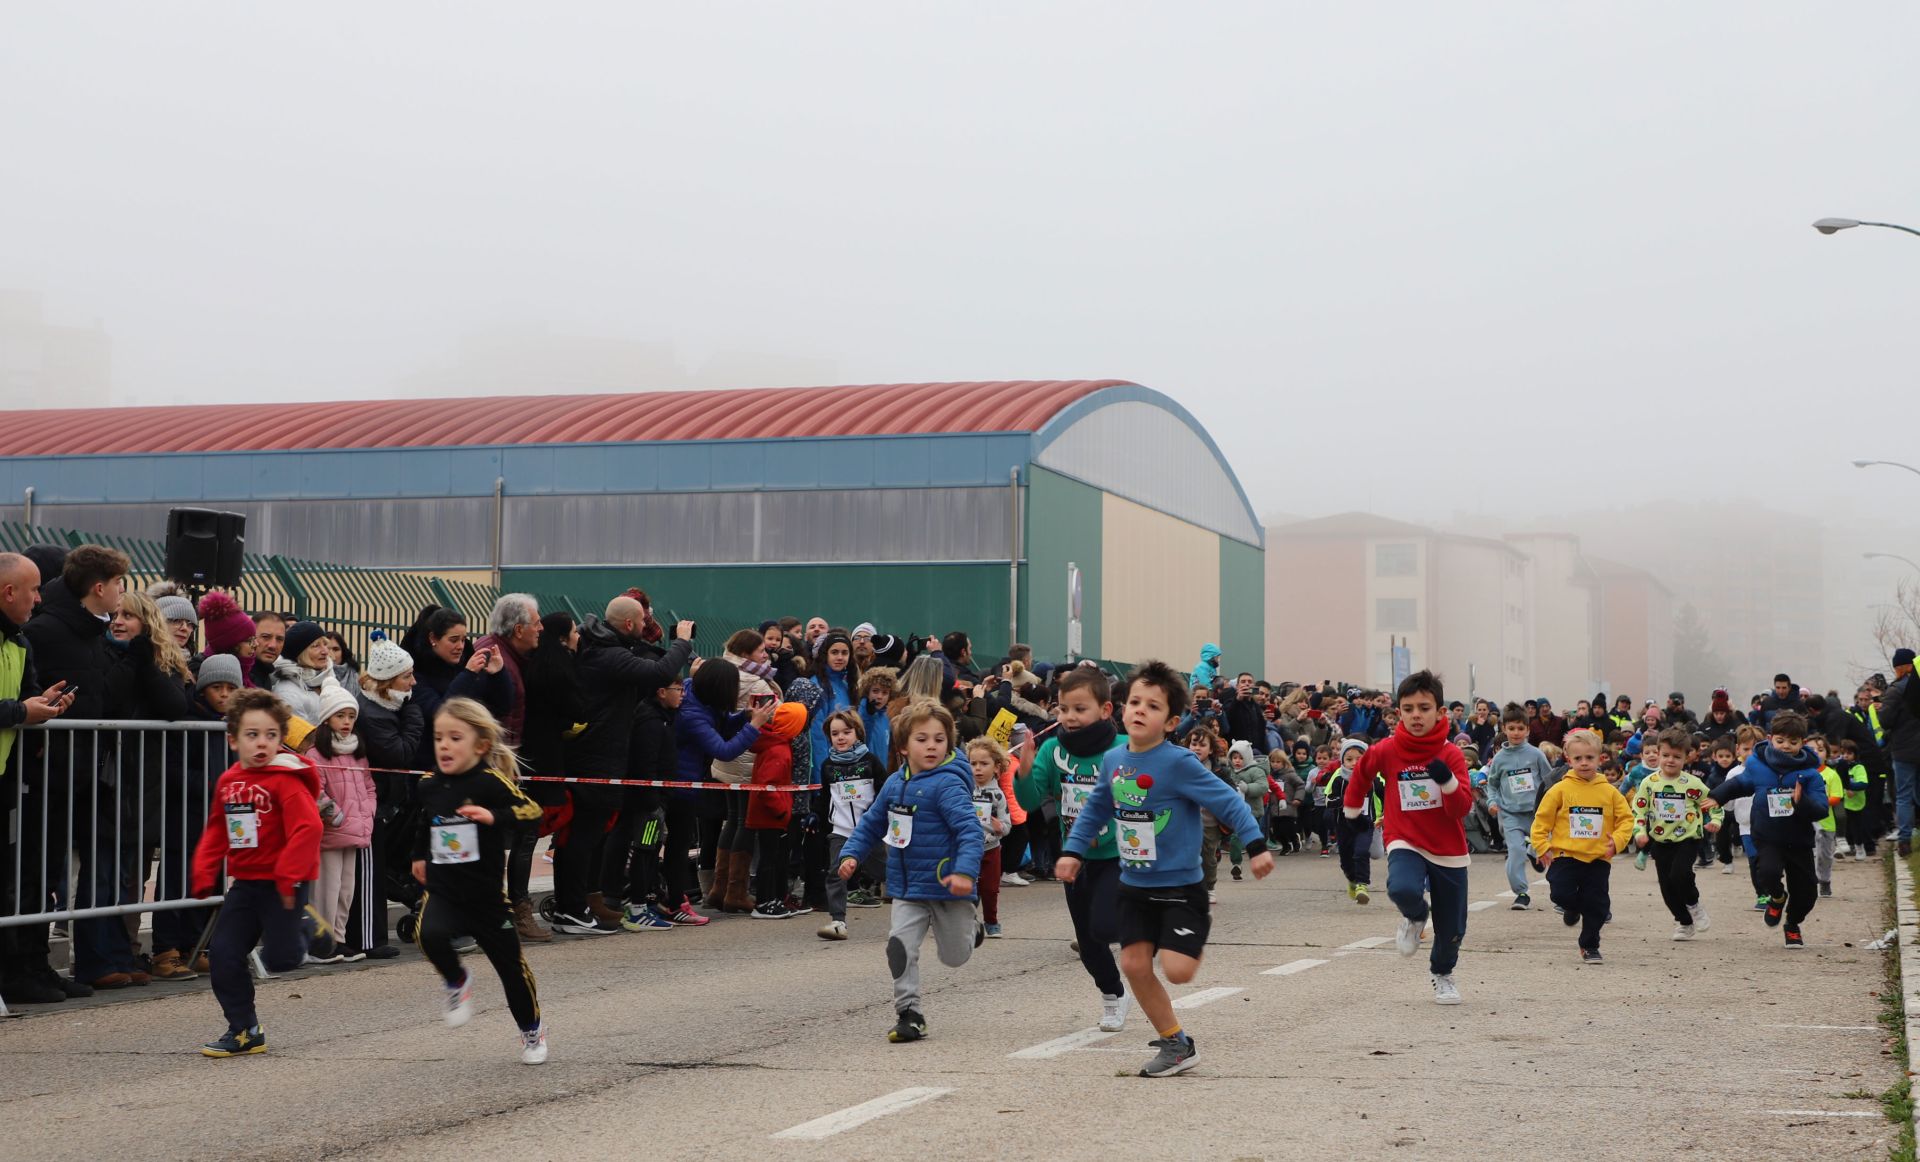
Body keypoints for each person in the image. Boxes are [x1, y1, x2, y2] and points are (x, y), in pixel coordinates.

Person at [1057, 660, 1271, 1078]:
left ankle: (1185, 937)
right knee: (1134, 965)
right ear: (1121, 707)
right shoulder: (1114, 759)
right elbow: (1096, 808)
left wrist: (1257, 844)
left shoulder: (1179, 763)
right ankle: (1177, 1043)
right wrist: (1073, 851)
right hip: (1134, 884)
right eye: (1135, 701)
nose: (1139, 710)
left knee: (1178, 970)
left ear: (1171, 721)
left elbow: (1228, 801)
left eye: (1152, 706)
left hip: (1180, 888)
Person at [835, 701, 983, 1045]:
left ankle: (971, 928)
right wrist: (851, 854)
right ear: (903, 746)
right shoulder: (893, 784)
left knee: (955, 957)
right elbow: (871, 822)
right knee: (899, 946)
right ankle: (910, 1014)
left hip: (949, 888)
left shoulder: (947, 785)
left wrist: (964, 873)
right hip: (907, 888)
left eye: (939, 739)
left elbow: (969, 832)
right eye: (922, 739)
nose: (931, 746)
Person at [411, 697, 549, 1064]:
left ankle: (531, 1031)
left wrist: (492, 816)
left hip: (487, 897)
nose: (444, 745)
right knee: (428, 935)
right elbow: (425, 821)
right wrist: (419, 856)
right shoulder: (428, 784)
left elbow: (530, 811)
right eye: (439, 738)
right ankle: (457, 980)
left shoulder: (489, 782)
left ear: (480, 745)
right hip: (444, 889)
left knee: (511, 970)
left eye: (455, 738)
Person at [189, 690, 324, 1056]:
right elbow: (218, 829)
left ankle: (303, 927)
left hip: (285, 883)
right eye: (252, 735)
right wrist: (203, 870)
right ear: (233, 739)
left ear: (281, 739)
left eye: (270, 735)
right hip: (246, 883)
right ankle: (244, 1029)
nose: (261, 743)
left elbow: (308, 828)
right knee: (223, 954)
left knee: (282, 959)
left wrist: (288, 874)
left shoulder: (286, 781)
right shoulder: (229, 782)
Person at [557, 597, 694, 935]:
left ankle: (588, 902)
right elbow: (659, 673)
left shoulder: (608, 647)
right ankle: (574, 908)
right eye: (644, 620)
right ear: (630, 624)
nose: (648, 626)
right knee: (586, 836)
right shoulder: (609, 654)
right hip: (598, 760)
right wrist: (682, 641)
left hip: (605, 759)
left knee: (596, 834)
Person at [1343, 670, 1471, 1003]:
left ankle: (1442, 973)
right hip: (1405, 838)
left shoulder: (1451, 755)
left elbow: (1461, 809)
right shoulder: (1387, 749)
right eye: (1409, 708)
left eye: (1424, 707)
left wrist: (1448, 783)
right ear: (1398, 711)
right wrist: (1353, 808)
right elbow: (1362, 772)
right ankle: (1415, 916)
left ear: (1440, 712)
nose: (1416, 715)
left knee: (1453, 927)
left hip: (1448, 848)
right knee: (1401, 887)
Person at [1029, 665, 1129, 1028]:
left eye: (1079, 708)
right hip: (1075, 858)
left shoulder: (1124, 748)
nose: (1069, 716)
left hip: (1118, 854)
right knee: (1088, 942)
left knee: (1105, 924)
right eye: (1062, 708)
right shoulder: (1052, 750)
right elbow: (1029, 801)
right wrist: (1023, 770)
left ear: (1105, 710)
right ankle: (1113, 994)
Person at [1709, 711, 1828, 949]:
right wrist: (1717, 797)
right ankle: (1777, 897)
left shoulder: (1810, 774)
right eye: (1781, 741)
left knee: (1806, 893)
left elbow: (1821, 809)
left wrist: (1801, 801)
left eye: (1793, 743)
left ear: (1802, 744)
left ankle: (1792, 924)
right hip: (1767, 835)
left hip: (1799, 840)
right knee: (1768, 874)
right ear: (1771, 738)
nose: (1786, 747)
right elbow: (1739, 784)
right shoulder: (1758, 766)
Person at [1530, 729, 1632, 963]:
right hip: (1565, 856)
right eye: (1578, 759)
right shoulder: (1560, 790)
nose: (1584, 763)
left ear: (1600, 758)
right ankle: (1573, 908)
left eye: (1589, 758)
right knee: (1560, 893)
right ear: (1569, 759)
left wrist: (1617, 842)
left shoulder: (1609, 791)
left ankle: (1589, 946)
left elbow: (1626, 820)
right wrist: (1542, 845)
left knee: (1597, 905)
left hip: (1598, 858)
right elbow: (1542, 819)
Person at [1629, 726, 1721, 941]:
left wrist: (1715, 820)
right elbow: (1639, 809)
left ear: (1687, 758)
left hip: (1687, 838)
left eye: (1676, 757)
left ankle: (1694, 904)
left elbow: (1712, 803)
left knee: (1680, 874)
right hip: (1660, 840)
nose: (1670, 760)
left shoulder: (1692, 784)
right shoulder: (1648, 783)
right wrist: (1640, 831)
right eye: (1666, 755)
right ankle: (1684, 922)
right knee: (1667, 887)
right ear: (1658, 754)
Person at [305, 682, 375, 963]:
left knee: (346, 890)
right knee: (327, 889)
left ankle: (339, 938)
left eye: (351, 717)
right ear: (326, 718)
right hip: (331, 832)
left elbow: (369, 787)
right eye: (340, 716)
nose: (346, 723)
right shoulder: (316, 754)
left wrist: (367, 812)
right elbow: (314, 790)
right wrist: (334, 813)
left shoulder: (357, 752)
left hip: (355, 831)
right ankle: (321, 943)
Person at [818, 708, 887, 940]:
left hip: (869, 831)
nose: (840, 737)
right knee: (836, 872)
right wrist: (818, 819)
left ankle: (924, 907)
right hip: (841, 830)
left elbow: (884, 790)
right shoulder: (828, 765)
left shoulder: (870, 761)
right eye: (835, 733)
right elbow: (825, 797)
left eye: (846, 732)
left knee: (886, 871)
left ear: (857, 732)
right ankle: (838, 921)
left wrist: (876, 815)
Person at [1483, 703, 1551, 910]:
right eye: (1511, 728)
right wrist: (1492, 802)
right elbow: (1492, 785)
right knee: (1515, 851)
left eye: (1521, 728)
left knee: (1546, 848)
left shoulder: (1536, 755)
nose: (1516, 733)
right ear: (1504, 729)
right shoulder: (1500, 759)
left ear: (1528, 730)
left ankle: (1534, 851)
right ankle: (1521, 893)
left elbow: (1549, 782)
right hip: (1510, 814)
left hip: (1536, 813)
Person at [744, 702, 808, 920]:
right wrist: (782, 811)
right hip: (770, 815)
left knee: (774, 857)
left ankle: (773, 898)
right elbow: (767, 786)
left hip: (771, 814)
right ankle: (764, 901)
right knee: (769, 859)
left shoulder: (777, 744)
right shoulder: (779, 750)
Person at [966, 737, 1013, 937]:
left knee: (990, 888)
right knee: (969, 887)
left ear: (996, 767)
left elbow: (1008, 825)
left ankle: (991, 922)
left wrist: (999, 826)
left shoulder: (999, 796)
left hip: (991, 849)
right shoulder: (963, 791)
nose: (978, 769)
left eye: (984, 764)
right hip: (968, 848)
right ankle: (966, 922)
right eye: (973, 763)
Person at [1325, 738, 1381, 903]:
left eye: (1359, 759)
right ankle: (1352, 879)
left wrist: (1385, 815)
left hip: (1365, 823)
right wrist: (1347, 799)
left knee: (1361, 852)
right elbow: (1329, 801)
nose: (1354, 763)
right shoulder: (1338, 780)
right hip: (1344, 825)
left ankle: (1362, 885)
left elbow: (1387, 796)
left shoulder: (1373, 779)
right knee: (1346, 860)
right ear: (1342, 760)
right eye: (1349, 759)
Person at [1878, 648, 1920, 857]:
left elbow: (1885, 720)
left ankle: (1904, 840)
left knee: (1904, 795)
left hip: (1904, 750)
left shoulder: (1896, 690)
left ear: (1903, 667)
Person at [248, 612, 288, 690]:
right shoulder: (240, 676)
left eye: (279, 639)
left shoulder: (265, 674)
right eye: (265, 637)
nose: (273, 645)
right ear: (251, 637)